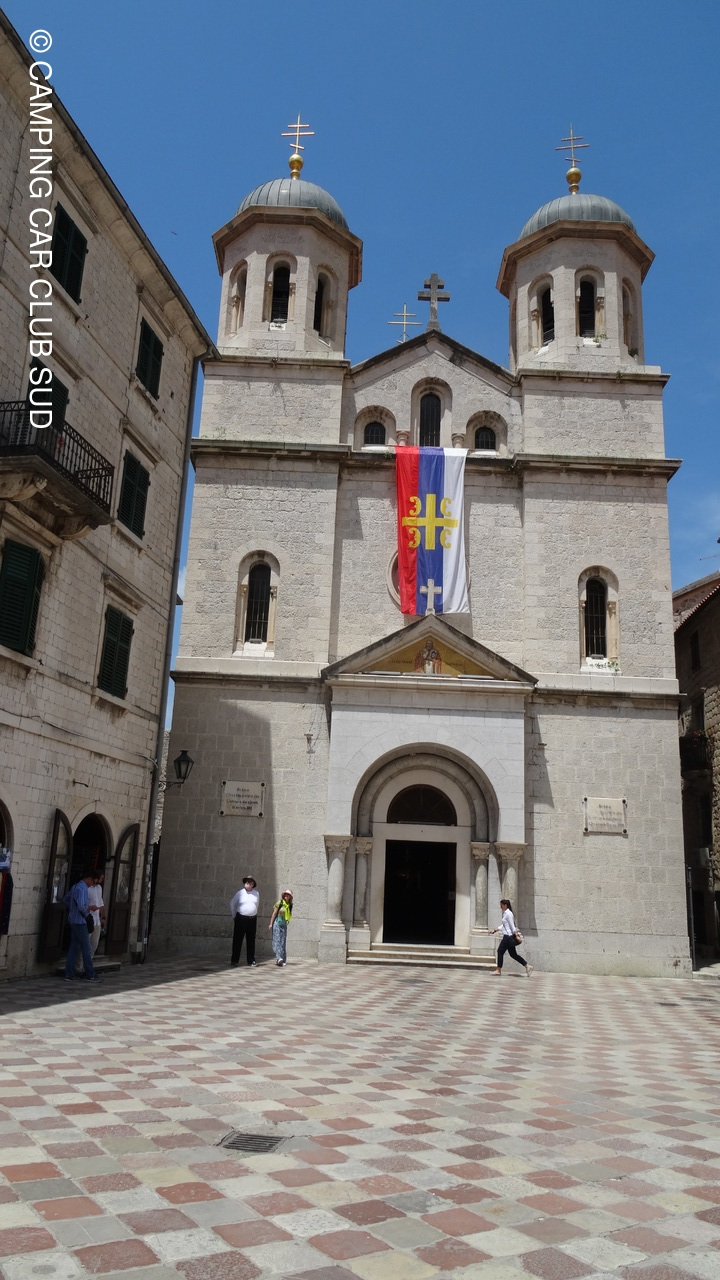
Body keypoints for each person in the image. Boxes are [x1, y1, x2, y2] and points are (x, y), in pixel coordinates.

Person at [64, 872, 103, 982]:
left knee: (73, 947)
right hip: (80, 922)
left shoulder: (75, 886)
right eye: (93, 881)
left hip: (73, 920)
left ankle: (69, 973)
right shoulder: (82, 888)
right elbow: (82, 906)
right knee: (86, 948)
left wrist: (72, 909)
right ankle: (90, 974)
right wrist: (87, 914)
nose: (92, 884)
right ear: (88, 878)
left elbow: (66, 899)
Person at [490, 898, 533, 976]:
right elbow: (504, 925)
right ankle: (527, 966)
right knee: (513, 954)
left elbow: (512, 925)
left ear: (505, 905)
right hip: (508, 936)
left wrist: (516, 935)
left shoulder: (509, 914)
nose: (500, 907)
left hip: (508, 937)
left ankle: (498, 970)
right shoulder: (506, 913)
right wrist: (495, 930)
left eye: (501, 905)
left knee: (500, 951)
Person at [75, 872, 106, 974]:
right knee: (84, 945)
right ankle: (78, 967)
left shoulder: (99, 888)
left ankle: (87, 966)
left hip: (96, 920)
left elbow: (101, 902)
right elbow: (81, 904)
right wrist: (90, 908)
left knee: (94, 945)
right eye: (100, 878)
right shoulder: (86, 888)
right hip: (88, 919)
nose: (101, 880)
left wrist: (103, 917)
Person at [229, 876, 259, 966]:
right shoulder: (240, 893)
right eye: (246, 882)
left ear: (253, 884)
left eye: (249, 882)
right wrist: (234, 916)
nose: (247, 883)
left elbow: (256, 905)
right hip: (241, 918)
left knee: (251, 940)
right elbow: (232, 903)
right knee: (237, 939)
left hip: (252, 919)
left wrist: (253, 912)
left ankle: (251, 960)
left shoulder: (256, 893)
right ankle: (234, 960)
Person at [269, 891, 293, 966]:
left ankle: (283, 959)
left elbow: (289, 914)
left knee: (282, 942)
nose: (286, 895)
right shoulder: (279, 903)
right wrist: (271, 924)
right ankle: (279, 958)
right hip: (277, 924)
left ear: (290, 897)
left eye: (288, 894)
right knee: (277, 941)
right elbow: (274, 913)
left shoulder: (290, 905)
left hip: (284, 925)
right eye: (285, 894)